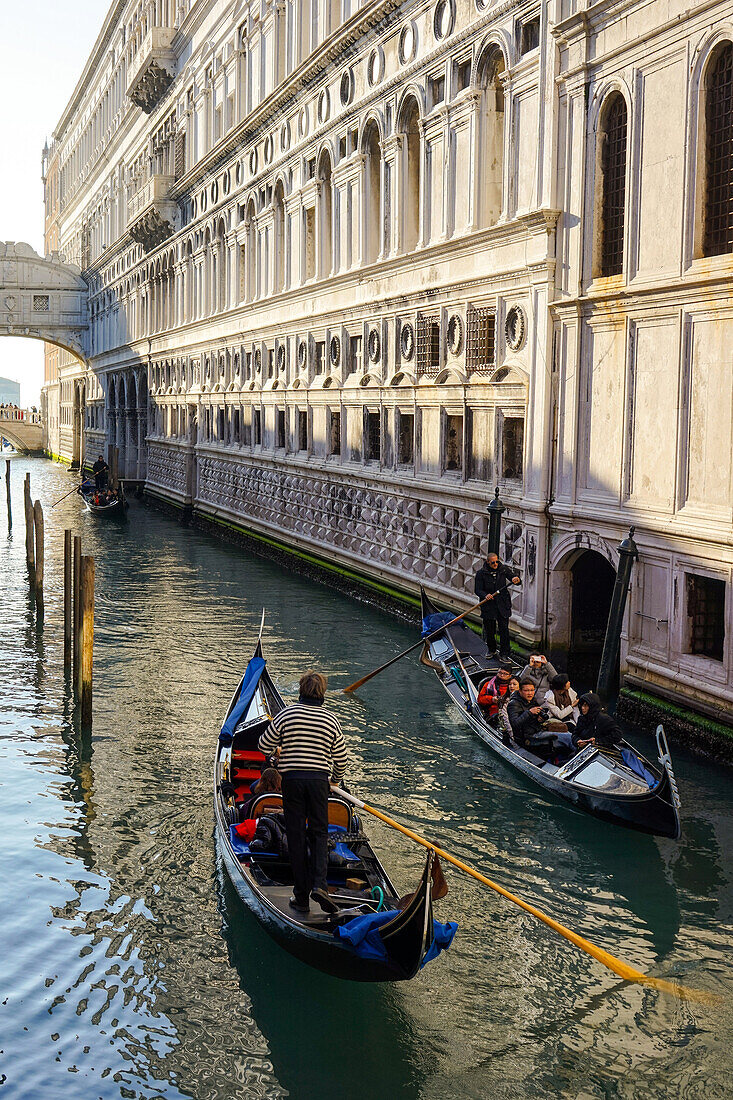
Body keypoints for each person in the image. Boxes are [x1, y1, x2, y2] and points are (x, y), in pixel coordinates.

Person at [259, 671, 347, 915]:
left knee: (296, 835)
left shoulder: (287, 714)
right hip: (319, 781)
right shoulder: (331, 720)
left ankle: (301, 897)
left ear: (300, 690)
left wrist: (278, 751)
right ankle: (320, 885)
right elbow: (341, 758)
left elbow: (263, 745)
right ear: (322, 693)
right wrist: (335, 781)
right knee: (319, 833)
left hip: (293, 780)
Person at [473, 553, 521, 659]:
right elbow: (477, 590)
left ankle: (505, 654)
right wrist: (485, 595)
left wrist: (515, 579)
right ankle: (491, 650)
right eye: (493, 562)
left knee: (504, 630)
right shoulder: (481, 574)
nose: (495, 564)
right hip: (488, 606)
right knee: (490, 630)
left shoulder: (503, 569)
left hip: (502, 605)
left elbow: (514, 578)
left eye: (496, 561)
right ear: (488, 562)